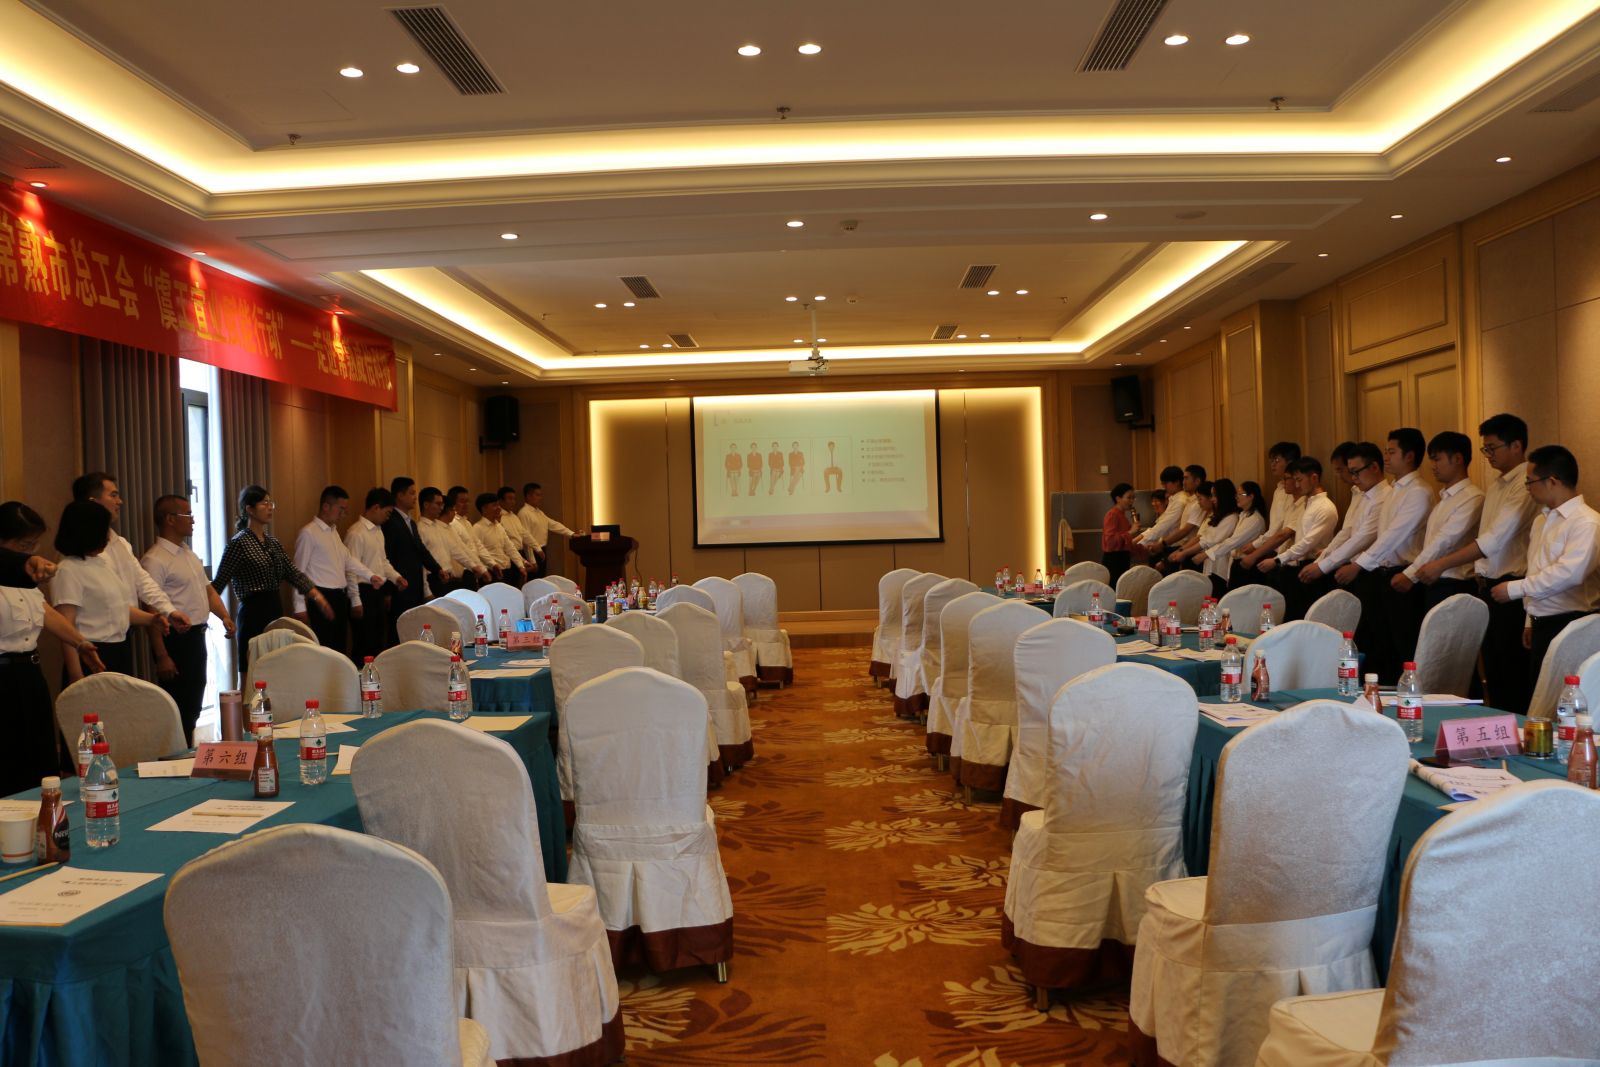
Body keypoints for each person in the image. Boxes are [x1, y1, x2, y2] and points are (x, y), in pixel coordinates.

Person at [1417, 413, 1538, 711]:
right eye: (1486, 449)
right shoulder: (1496, 485)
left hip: (1510, 587)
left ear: (1516, 445)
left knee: (1511, 672)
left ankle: (1513, 730)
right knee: (1493, 671)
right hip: (1485, 586)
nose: (1488, 455)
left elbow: (1493, 541)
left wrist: (1440, 564)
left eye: (1493, 448)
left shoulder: (1524, 485)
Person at [0, 502, 105, 794]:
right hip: (2, 677)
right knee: (8, 759)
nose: (30, 552)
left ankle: (46, 813)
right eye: (23, 545)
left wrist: (80, 642)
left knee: (40, 755)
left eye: (33, 545)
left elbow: (46, 612)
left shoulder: (26, 578)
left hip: (29, 674)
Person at [1492, 445, 1600, 709]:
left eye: (1530, 481)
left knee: (1565, 705)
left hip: (1572, 623)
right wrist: (1530, 618)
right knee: (1539, 699)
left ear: (1552, 481)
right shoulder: (1542, 520)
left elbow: (1569, 573)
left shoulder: (1586, 522)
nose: (1527, 488)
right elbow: (1536, 569)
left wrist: (1515, 589)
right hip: (1542, 623)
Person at [1339, 428, 1433, 680]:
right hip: (1382, 573)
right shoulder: (1394, 490)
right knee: (1382, 643)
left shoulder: (1418, 491)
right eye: (1386, 452)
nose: (1386, 457)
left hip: (1403, 575)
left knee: (1403, 644)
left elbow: (1393, 536)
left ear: (1409, 456)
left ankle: (1404, 692)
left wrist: (1358, 565)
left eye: (1391, 452)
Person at [142, 495, 235, 745]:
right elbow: (151, 610)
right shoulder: (155, 559)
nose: (193, 520)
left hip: (196, 636)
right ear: (170, 520)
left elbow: (208, 591)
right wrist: (162, 655)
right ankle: (174, 756)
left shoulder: (187, 553)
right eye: (188, 514)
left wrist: (224, 616)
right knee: (178, 705)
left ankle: (186, 751)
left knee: (193, 704)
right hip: (174, 639)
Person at [212, 485, 327, 674]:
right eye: (264, 503)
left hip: (275, 608)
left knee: (275, 668)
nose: (270, 507)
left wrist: (316, 595)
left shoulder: (273, 542)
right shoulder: (238, 543)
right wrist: (223, 617)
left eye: (271, 503)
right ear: (249, 509)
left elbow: (292, 572)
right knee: (251, 669)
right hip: (252, 612)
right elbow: (217, 584)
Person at [51, 500, 163, 681]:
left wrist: (151, 619)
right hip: (92, 652)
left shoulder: (101, 563)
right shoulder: (68, 569)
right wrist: (75, 673)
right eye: (103, 531)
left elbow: (117, 608)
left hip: (119, 649)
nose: (108, 538)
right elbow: (66, 626)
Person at [72, 472, 189, 636]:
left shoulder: (121, 543)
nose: (120, 501)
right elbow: (107, 601)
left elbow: (142, 581)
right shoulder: (79, 549)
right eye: (113, 495)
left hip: (125, 634)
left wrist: (169, 611)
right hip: (95, 637)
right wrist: (152, 618)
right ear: (93, 502)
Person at [1296, 442, 1389, 618]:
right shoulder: (1363, 495)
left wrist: (1323, 566)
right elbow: (1347, 532)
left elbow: (1362, 538)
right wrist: (1322, 559)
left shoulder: (1384, 497)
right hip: (1355, 567)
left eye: (1356, 472)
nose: (1354, 478)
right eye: (1351, 472)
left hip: (1372, 571)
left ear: (1374, 467)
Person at [1394, 432, 1484, 612]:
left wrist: (1410, 574)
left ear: (1457, 459)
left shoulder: (1472, 497)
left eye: (1437, 459)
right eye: (1431, 460)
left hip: (1454, 583)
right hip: (1432, 580)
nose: (1432, 466)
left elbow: (1444, 541)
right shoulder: (1444, 498)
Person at [293, 485, 382, 654]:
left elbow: (348, 559)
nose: (344, 514)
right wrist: (299, 607)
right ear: (326, 506)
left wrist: (370, 576)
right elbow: (298, 573)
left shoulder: (333, 532)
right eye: (341, 509)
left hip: (339, 597)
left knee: (339, 648)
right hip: (321, 597)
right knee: (325, 650)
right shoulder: (308, 533)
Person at [1258, 458, 1338, 612]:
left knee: (1307, 615)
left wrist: (1277, 560)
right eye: (1294, 480)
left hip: (1314, 566)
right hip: (1298, 565)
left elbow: (1307, 542)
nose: (1296, 485)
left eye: (1299, 480)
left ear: (1314, 478)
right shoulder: (1308, 503)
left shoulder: (1325, 507)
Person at [346, 488, 405, 663]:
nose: (388, 517)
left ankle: (375, 677)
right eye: (387, 512)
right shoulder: (356, 533)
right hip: (363, 592)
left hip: (377, 591)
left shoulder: (378, 531)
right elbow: (350, 569)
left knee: (378, 641)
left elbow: (383, 561)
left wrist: (396, 577)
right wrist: (355, 601)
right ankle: (360, 678)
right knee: (364, 643)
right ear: (376, 507)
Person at [383, 477, 443, 635]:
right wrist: (388, 591)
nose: (415, 497)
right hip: (400, 587)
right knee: (399, 633)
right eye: (411, 493)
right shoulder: (390, 521)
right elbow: (387, 556)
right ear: (400, 495)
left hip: (415, 586)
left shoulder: (411, 522)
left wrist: (437, 569)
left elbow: (421, 550)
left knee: (414, 631)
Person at [1202, 480, 1266, 597]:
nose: (1237, 497)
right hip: (1238, 563)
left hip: (1247, 566)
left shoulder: (1255, 519)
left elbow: (1234, 541)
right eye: (1237, 494)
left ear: (1251, 496)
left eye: (1241, 494)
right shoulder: (1244, 515)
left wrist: (1208, 554)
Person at [516, 483, 578, 580]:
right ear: (528, 496)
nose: (540, 498)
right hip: (532, 553)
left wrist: (571, 534)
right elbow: (526, 539)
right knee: (533, 583)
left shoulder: (539, 512)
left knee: (541, 580)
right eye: (537, 495)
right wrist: (532, 561)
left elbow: (553, 524)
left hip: (542, 551)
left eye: (540, 495)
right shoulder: (523, 513)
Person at [416, 486, 469, 594]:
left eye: (442, 504)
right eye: (438, 504)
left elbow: (455, 549)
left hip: (448, 577)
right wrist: (427, 592)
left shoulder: (439, 527)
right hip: (433, 579)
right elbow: (421, 562)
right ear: (426, 505)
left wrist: (474, 566)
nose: (441, 508)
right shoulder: (420, 529)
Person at [474, 492, 531, 586]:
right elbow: (478, 553)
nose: (499, 508)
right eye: (494, 505)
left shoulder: (498, 526)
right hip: (491, 573)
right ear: (484, 509)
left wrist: (521, 565)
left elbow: (509, 547)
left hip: (506, 571)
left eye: (498, 505)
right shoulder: (478, 528)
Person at [1135, 466, 1189, 563]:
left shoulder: (1180, 501)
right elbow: (1160, 525)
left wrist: (1141, 544)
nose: (1164, 486)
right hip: (1168, 545)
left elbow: (1164, 526)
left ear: (1177, 482)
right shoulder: (1174, 499)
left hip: (1175, 545)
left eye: (1166, 483)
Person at [448, 486, 498, 583]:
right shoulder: (451, 523)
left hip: (473, 569)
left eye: (467, 501)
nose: (466, 504)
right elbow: (461, 550)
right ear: (453, 503)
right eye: (462, 501)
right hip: (462, 571)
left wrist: (492, 564)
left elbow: (478, 545)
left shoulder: (467, 523)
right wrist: (479, 567)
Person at [1164, 479, 1215, 573]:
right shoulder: (1207, 514)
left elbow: (1199, 538)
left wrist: (1181, 551)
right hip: (1194, 552)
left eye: (1200, 498)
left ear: (1210, 498)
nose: (1199, 502)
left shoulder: (1215, 517)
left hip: (1202, 556)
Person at [1101, 483, 1140, 585]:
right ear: (1118, 499)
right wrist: (1130, 532)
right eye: (1129, 498)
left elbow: (1125, 540)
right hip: (1114, 560)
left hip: (1122, 558)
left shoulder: (1121, 515)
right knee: (1115, 589)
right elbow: (1110, 541)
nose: (1132, 501)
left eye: (1133, 498)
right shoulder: (1112, 514)